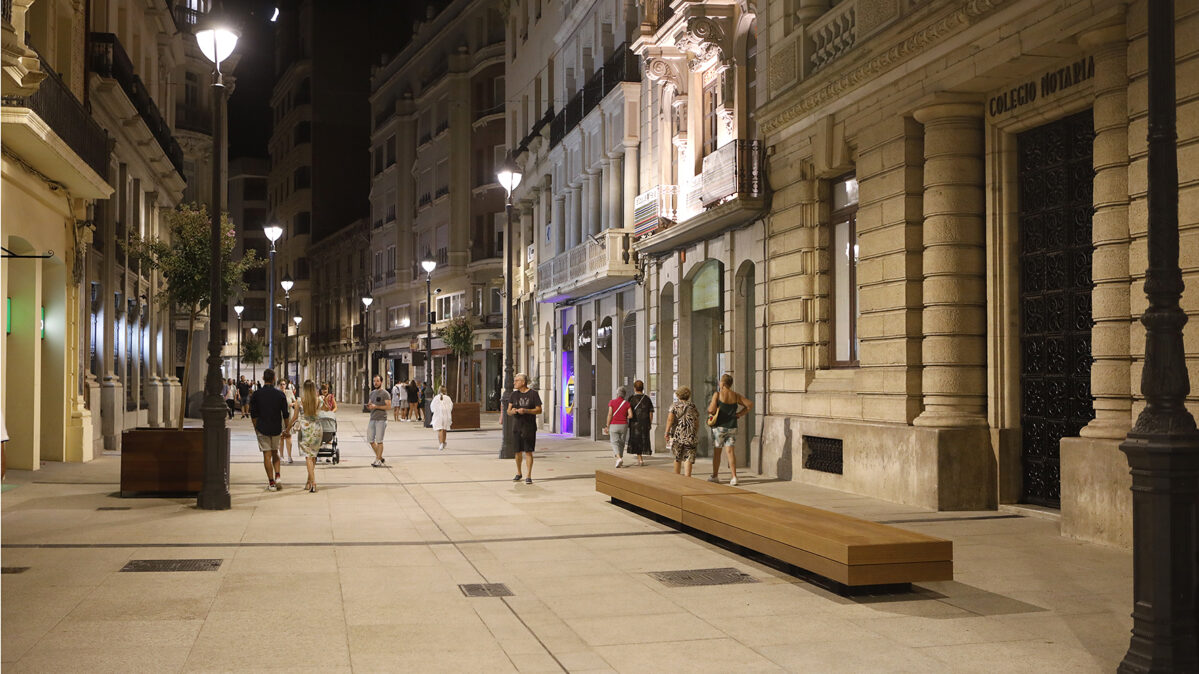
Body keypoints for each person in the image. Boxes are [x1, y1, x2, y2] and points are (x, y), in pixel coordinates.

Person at [707, 373, 753, 486]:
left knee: (717, 452)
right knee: (730, 452)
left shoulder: (717, 394)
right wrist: (739, 414)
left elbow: (711, 410)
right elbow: (750, 404)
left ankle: (715, 475)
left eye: (720, 382)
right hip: (732, 426)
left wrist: (714, 406)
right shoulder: (736, 395)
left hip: (719, 427)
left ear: (722, 383)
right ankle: (734, 477)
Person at [249, 368, 289, 491]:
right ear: (274, 379)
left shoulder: (256, 394)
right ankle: (278, 475)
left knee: (267, 455)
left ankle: (271, 482)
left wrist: (256, 428)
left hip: (262, 427)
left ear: (263, 378)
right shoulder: (280, 394)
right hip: (276, 427)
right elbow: (285, 414)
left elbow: (253, 414)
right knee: (275, 452)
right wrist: (286, 428)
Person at [508, 373, 542, 484]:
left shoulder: (533, 394)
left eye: (516, 380)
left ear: (523, 382)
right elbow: (508, 411)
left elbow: (539, 410)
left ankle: (528, 475)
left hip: (529, 427)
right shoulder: (514, 395)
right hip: (517, 426)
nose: (514, 383)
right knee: (517, 451)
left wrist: (526, 411)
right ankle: (519, 473)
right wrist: (512, 411)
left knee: (528, 451)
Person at [293, 379, 323, 493]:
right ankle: (308, 481)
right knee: (313, 456)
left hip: (305, 430)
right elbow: (328, 409)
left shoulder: (299, 401)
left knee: (308, 457)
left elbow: (295, 417)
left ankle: (313, 482)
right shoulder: (319, 400)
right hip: (317, 429)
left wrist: (287, 428)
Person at [665, 386, 700, 477]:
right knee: (688, 457)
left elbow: (670, 420)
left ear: (678, 395)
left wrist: (667, 432)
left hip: (678, 435)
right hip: (690, 434)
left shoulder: (674, 406)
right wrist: (695, 431)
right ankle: (687, 477)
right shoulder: (692, 406)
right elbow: (696, 421)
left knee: (677, 456)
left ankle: (677, 477)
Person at [625, 380, 654, 466]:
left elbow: (627, 411)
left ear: (634, 388)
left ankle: (640, 459)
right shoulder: (647, 398)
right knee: (643, 439)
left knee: (636, 440)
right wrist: (650, 423)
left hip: (634, 423)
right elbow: (651, 412)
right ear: (643, 388)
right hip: (645, 423)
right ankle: (640, 458)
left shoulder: (631, 399)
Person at [366, 374, 390, 466]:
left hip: (381, 419)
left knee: (379, 440)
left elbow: (388, 406)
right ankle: (380, 457)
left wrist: (376, 406)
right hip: (372, 418)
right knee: (370, 440)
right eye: (374, 381)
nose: (375, 383)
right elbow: (370, 404)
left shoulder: (385, 393)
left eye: (377, 381)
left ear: (381, 382)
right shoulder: (372, 393)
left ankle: (378, 460)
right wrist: (369, 406)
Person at [604, 386, 630, 468]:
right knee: (622, 443)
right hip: (624, 425)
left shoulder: (612, 402)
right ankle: (620, 459)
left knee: (614, 442)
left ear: (617, 394)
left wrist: (607, 426)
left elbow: (610, 414)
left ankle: (618, 458)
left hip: (614, 425)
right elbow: (630, 415)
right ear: (624, 394)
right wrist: (626, 416)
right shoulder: (627, 403)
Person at [430, 385, 454, 450]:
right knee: (444, 429)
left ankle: (441, 444)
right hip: (446, 415)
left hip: (438, 415)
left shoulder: (436, 398)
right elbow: (451, 406)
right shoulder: (448, 398)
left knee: (440, 429)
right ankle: (443, 442)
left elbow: (432, 407)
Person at [280, 379, 298, 464]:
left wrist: (293, 404)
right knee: (281, 437)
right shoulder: (277, 393)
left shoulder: (289, 392)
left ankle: (289, 456)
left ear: (286, 385)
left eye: (284, 384)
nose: (282, 385)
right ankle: (281, 456)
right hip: (279, 417)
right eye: (281, 384)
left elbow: (296, 402)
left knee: (288, 436)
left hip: (289, 416)